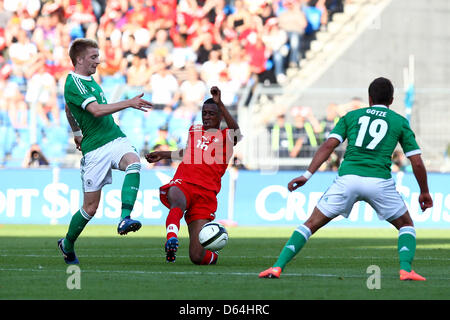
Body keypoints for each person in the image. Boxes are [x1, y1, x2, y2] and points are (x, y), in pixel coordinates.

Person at [259, 77, 433, 281]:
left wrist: (307, 175)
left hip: (348, 179)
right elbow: (417, 162)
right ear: (392, 100)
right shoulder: (399, 122)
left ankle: (277, 267)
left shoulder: (351, 116)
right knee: (406, 225)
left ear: (369, 98)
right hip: (379, 181)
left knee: (310, 224)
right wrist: (424, 191)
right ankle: (405, 270)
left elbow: (327, 146)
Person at [58, 38, 152, 264]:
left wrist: (76, 132)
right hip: (95, 150)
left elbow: (69, 109)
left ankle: (124, 217)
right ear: (79, 59)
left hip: (114, 137)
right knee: (90, 208)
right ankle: (67, 243)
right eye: (93, 57)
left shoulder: (90, 81)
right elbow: (97, 110)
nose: (98, 61)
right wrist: (128, 102)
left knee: (134, 162)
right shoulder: (74, 83)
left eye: (97, 57)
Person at [145, 86, 242, 265]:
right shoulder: (194, 130)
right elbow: (189, 153)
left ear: (220, 116)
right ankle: (172, 238)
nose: (206, 117)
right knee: (177, 199)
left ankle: (213, 256)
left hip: (206, 194)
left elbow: (237, 132)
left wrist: (220, 104)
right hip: (185, 181)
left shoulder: (226, 136)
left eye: (211, 114)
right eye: (204, 113)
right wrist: (164, 154)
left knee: (197, 256)